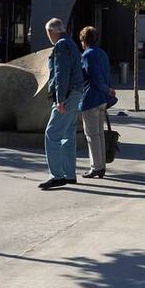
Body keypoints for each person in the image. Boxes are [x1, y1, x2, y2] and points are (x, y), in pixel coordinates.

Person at [39, 18, 83, 190]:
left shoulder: (61, 45)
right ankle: (69, 174)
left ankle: (57, 175)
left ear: (51, 32)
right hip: (76, 92)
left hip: (68, 94)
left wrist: (60, 99)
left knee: (52, 133)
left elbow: (61, 72)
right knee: (68, 134)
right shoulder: (71, 43)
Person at [78, 25, 116, 179]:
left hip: (90, 98)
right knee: (99, 134)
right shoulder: (102, 54)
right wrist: (108, 91)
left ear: (83, 41)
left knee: (92, 135)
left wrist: (105, 89)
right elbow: (105, 75)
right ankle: (100, 165)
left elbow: (94, 77)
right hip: (102, 99)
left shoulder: (87, 55)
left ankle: (96, 167)